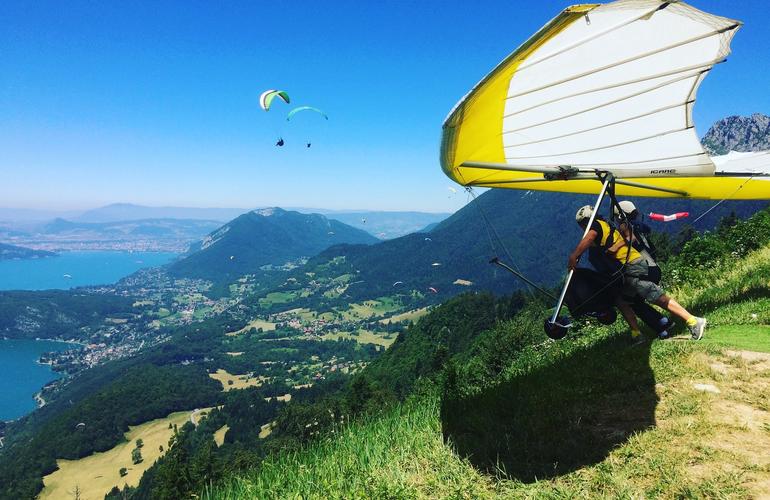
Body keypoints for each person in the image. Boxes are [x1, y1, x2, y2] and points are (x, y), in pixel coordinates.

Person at [569, 205, 706, 340]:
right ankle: (639, 333)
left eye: (582, 225)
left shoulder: (596, 226)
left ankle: (693, 321)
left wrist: (574, 256)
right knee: (624, 301)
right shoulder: (604, 225)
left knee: (654, 294)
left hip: (631, 264)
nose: (583, 229)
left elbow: (590, 237)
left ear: (586, 221)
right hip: (626, 267)